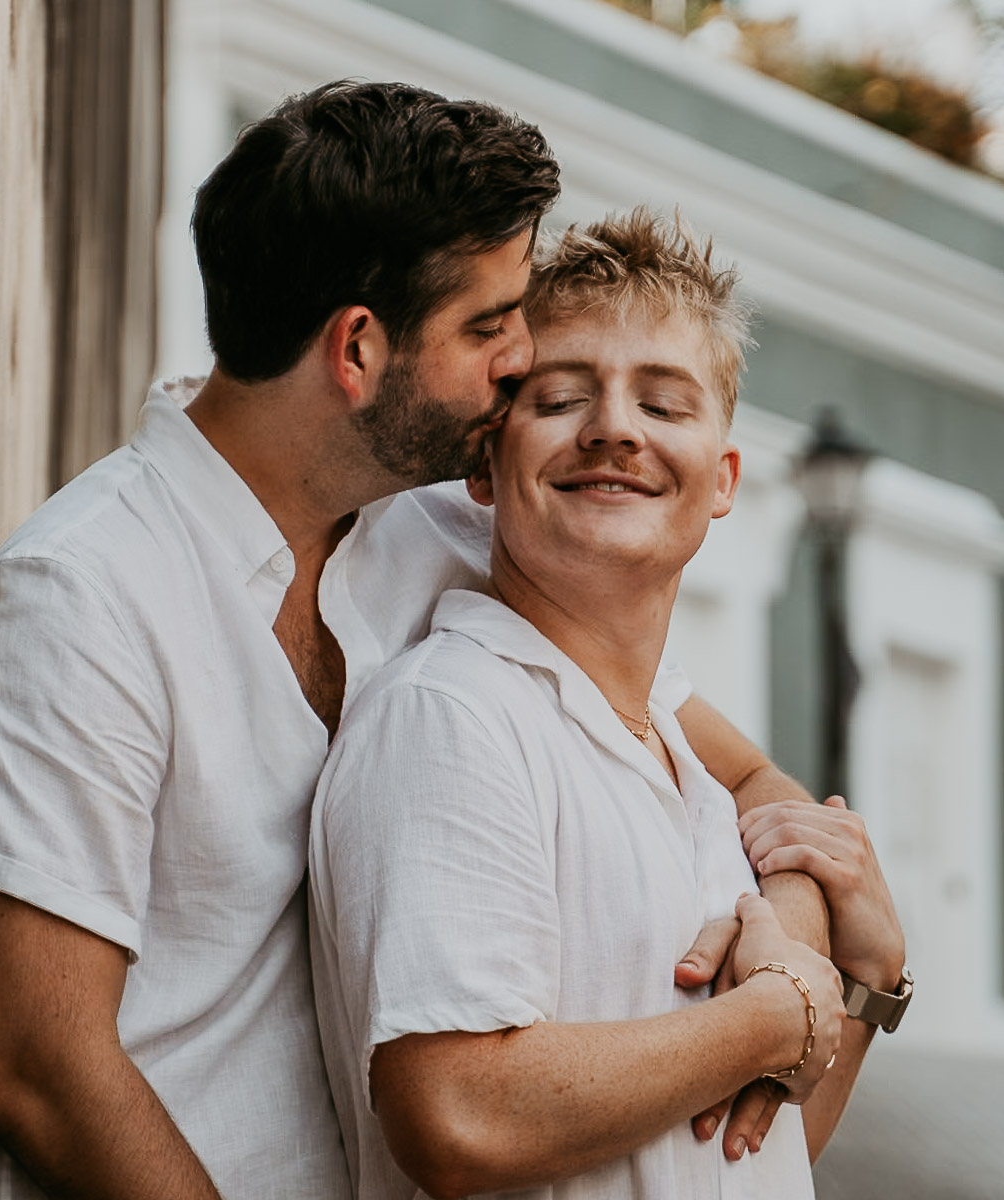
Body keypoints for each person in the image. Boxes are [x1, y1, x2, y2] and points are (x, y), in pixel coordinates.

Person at [0, 81, 829, 1200]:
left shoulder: (434, 530)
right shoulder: (86, 597)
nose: (520, 361)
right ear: (358, 351)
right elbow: (38, 1065)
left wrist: (794, 941)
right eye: (487, 326)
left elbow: (740, 776)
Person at [309, 210, 907, 1200]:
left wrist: (867, 978)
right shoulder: (453, 719)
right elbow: (457, 1113)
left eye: (666, 407)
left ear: (721, 483)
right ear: (482, 466)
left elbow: (752, 1152)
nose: (615, 428)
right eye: (562, 396)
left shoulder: (692, 777)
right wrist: (770, 1016)